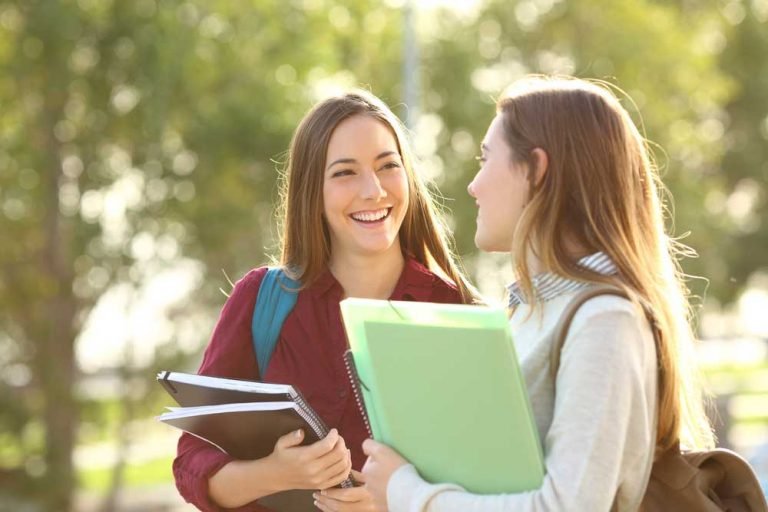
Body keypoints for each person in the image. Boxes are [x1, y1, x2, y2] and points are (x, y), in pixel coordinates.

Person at [361, 75, 715, 511]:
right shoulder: (532, 310)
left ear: (537, 170)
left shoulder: (605, 319)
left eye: (486, 158)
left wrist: (408, 493)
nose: (474, 185)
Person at [173, 90, 477, 512]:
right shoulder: (261, 300)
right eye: (345, 173)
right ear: (311, 191)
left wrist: (396, 502)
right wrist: (275, 474)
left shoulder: (459, 313)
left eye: (388, 166)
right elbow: (192, 463)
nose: (372, 191)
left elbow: (492, 485)